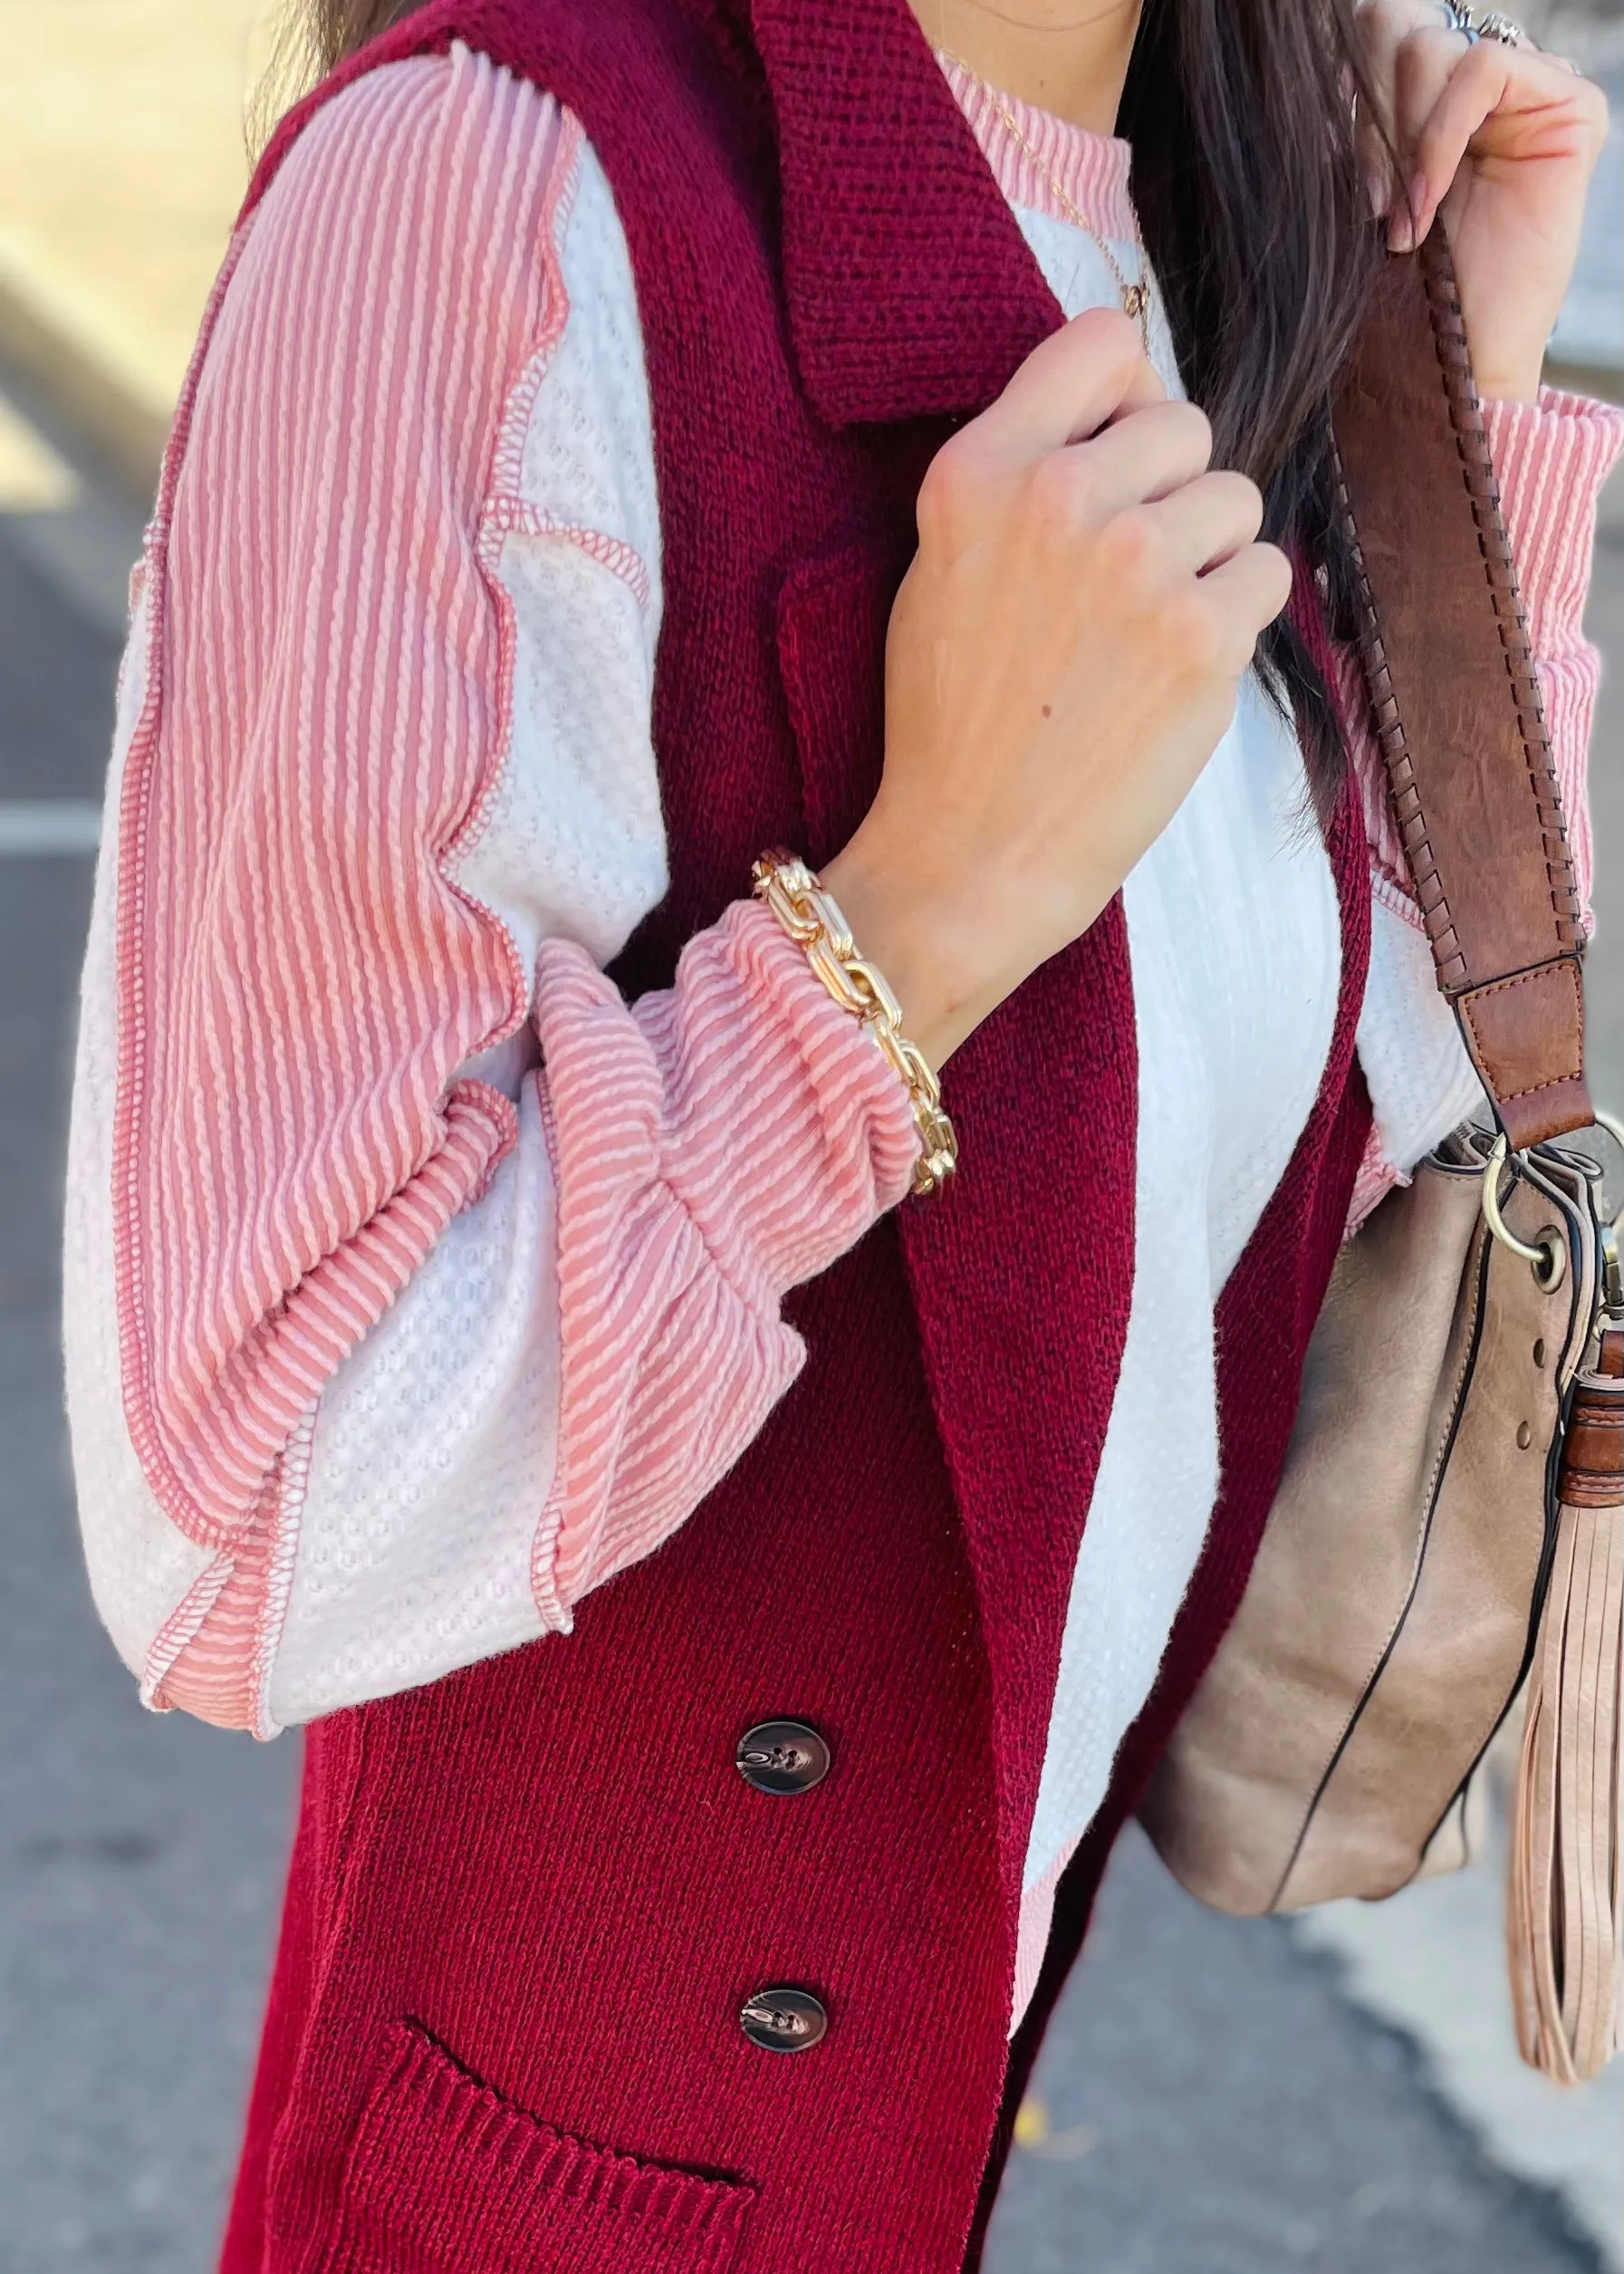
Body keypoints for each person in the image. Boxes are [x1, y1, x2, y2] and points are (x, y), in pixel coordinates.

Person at [63, 0, 1619, 2264]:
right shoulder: (485, 194)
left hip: (921, 2118)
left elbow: (1344, 1139)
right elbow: (254, 1504)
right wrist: (911, 920)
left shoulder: (1205, 215)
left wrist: (1446, 413)